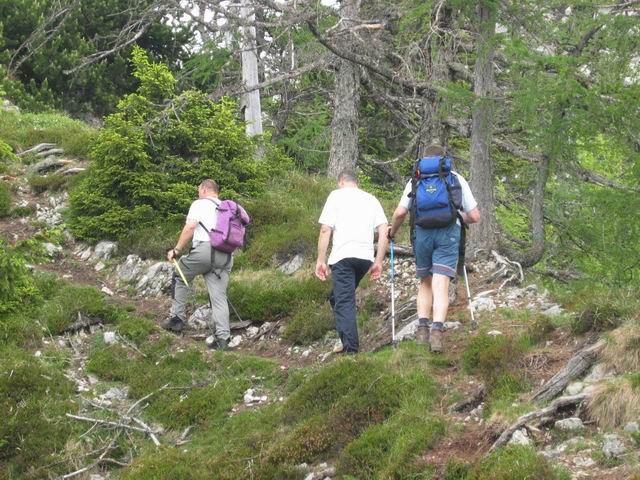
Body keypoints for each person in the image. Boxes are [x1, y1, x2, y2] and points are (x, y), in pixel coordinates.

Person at [388, 146, 480, 353]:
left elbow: (401, 212)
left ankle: (422, 329)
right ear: (442, 159)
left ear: (425, 159)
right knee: (441, 284)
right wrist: (458, 217)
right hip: (448, 233)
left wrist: (392, 231)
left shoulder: (417, 178)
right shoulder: (455, 178)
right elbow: (474, 216)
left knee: (425, 282)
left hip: (422, 234)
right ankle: (437, 332)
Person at [315, 170, 389, 354]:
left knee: (344, 301)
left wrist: (321, 260)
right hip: (364, 259)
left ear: (341, 182)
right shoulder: (371, 199)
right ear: (356, 182)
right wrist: (378, 260)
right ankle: (345, 338)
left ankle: (351, 351)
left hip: (343, 257)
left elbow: (325, 229)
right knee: (337, 297)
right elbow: (384, 230)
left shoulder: (336, 196)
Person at [163, 179, 233, 350]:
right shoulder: (227, 207)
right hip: (226, 255)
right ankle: (223, 338)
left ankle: (176, 319)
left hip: (205, 250)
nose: (197, 193)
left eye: (198, 190)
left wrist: (177, 250)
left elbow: (190, 227)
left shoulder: (199, 204)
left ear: (203, 189)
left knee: (180, 276)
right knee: (219, 297)